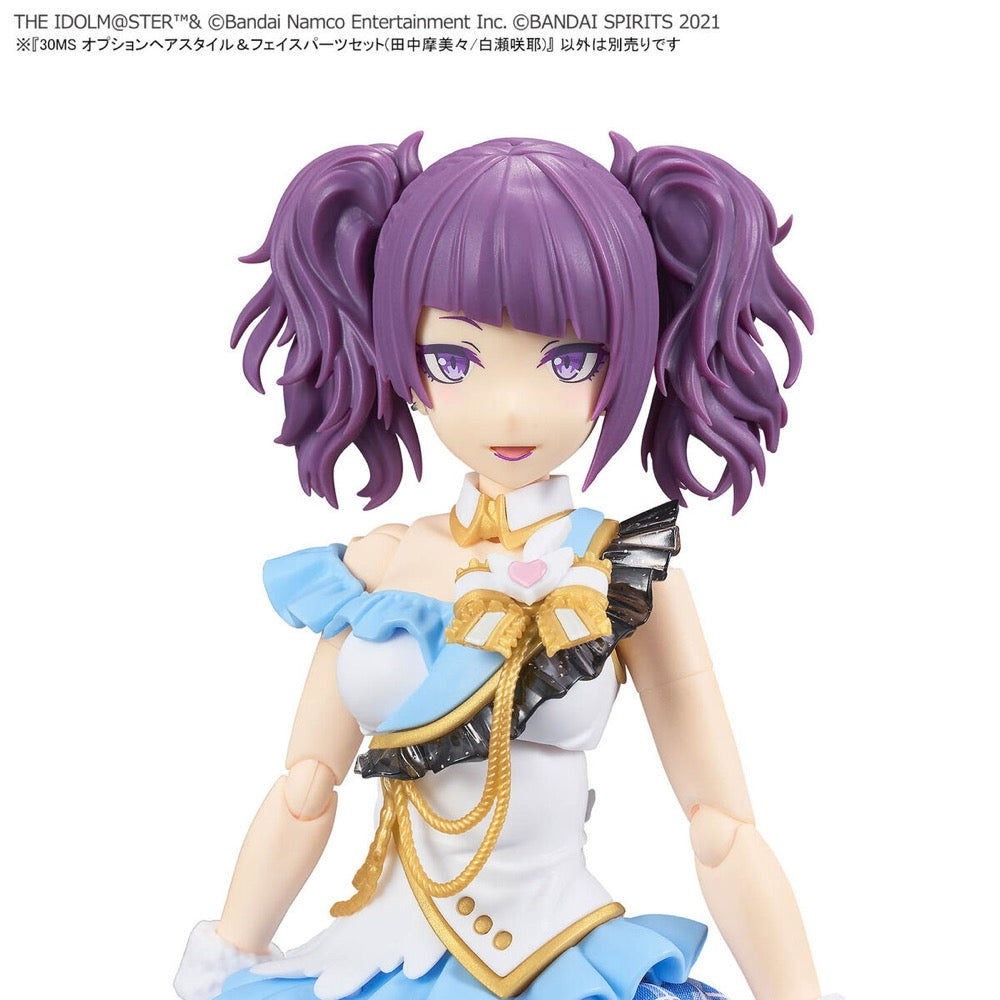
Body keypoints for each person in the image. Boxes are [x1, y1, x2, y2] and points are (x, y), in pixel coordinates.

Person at [175, 135, 838, 1000]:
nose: (514, 407)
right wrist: (228, 950)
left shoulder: (622, 566)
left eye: (570, 360)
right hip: (380, 958)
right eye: (454, 360)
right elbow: (306, 789)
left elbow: (721, 825)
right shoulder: (377, 563)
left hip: (555, 955)